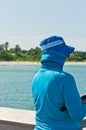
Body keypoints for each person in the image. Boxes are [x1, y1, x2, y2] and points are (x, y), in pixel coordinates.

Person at [32, 35, 86, 130]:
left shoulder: (36, 77)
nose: (67, 57)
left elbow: (52, 106)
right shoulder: (65, 78)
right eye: (66, 54)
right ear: (59, 55)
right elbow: (77, 115)